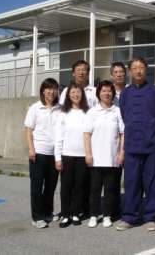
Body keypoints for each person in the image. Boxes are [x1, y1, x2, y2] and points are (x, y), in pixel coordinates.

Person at [116, 57, 155, 232]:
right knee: (131, 182)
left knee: (153, 182)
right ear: (130, 71)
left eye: (141, 68)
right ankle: (129, 217)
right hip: (131, 145)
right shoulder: (125, 93)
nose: (138, 71)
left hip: (151, 146)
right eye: (134, 68)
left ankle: (152, 217)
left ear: (146, 70)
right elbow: (124, 115)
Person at [59, 60, 97, 218]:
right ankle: (68, 210)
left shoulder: (94, 91)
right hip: (69, 148)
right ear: (73, 72)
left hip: (87, 145)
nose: (82, 72)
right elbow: (62, 112)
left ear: (88, 73)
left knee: (84, 181)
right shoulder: (66, 91)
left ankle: (82, 209)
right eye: (78, 70)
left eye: (84, 70)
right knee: (68, 183)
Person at [84, 80, 125, 228]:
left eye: (109, 91)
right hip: (95, 158)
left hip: (112, 158)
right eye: (103, 91)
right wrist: (88, 153)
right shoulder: (92, 112)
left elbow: (123, 134)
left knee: (110, 190)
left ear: (113, 94)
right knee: (94, 190)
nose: (106, 93)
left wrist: (121, 153)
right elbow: (87, 134)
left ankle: (107, 215)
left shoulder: (117, 111)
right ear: (98, 94)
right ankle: (94, 215)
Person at [24, 78, 61, 229]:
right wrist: (31, 148)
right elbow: (28, 129)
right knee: (37, 186)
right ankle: (37, 217)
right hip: (39, 152)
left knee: (51, 186)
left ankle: (47, 212)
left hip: (55, 153)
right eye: (48, 89)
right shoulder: (35, 108)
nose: (51, 92)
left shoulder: (60, 108)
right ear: (43, 91)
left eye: (53, 89)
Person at [54, 83, 89, 228]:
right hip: (67, 154)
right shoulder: (63, 113)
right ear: (68, 95)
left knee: (80, 185)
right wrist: (57, 157)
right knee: (66, 186)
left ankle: (75, 213)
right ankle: (66, 214)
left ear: (82, 94)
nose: (76, 95)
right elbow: (58, 137)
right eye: (73, 92)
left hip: (82, 155)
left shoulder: (88, 112)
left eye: (78, 92)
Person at [110, 62, 127, 219]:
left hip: (131, 138)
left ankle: (130, 208)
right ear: (112, 75)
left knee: (130, 177)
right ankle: (113, 210)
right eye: (116, 72)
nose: (119, 74)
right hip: (113, 141)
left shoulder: (130, 91)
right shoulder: (107, 93)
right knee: (113, 178)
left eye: (122, 72)